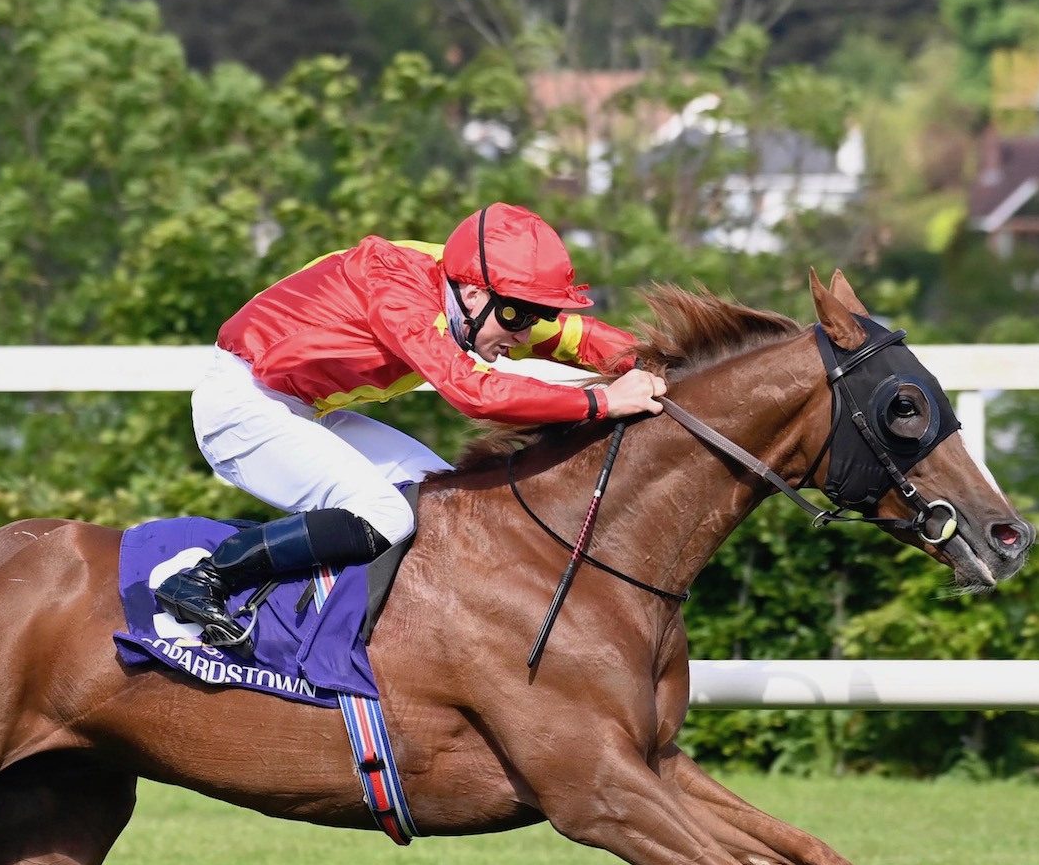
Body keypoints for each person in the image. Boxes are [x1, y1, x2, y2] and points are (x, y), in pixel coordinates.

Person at [155, 201, 669, 647]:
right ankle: (206, 578)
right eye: (518, 316)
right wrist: (601, 403)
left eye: (532, 315)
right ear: (473, 295)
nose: (524, 333)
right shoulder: (401, 289)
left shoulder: (473, 292)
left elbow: (574, 337)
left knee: (449, 501)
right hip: (241, 407)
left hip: (298, 405)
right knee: (387, 514)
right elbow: (471, 391)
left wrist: (660, 366)